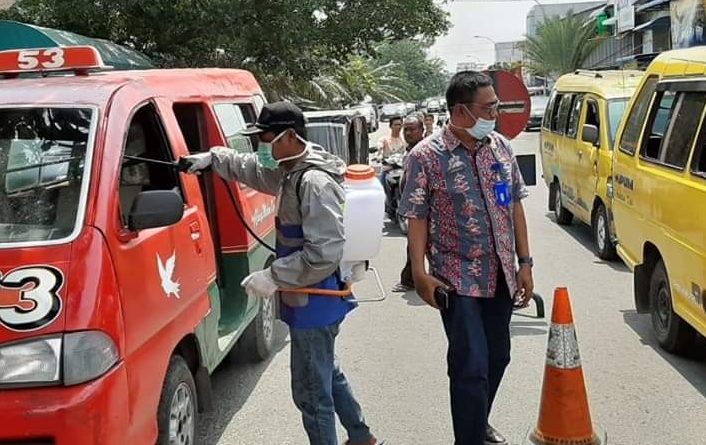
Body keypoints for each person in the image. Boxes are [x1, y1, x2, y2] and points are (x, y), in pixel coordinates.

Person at [179, 101, 382, 445]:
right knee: (326, 373)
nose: (260, 145)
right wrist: (214, 159)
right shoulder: (292, 171)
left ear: (288, 136)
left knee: (310, 392)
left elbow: (324, 253)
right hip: (308, 297)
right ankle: (361, 437)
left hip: (315, 299)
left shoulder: (314, 182)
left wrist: (273, 276)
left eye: (265, 137)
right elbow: (255, 171)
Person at [398, 71, 534, 445]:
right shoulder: (425, 156)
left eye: (496, 106)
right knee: (470, 364)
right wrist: (420, 273)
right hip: (456, 277)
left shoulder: (500, 147)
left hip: (501, 273)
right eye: (488, 108)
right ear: (461, 111)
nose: (495, 114)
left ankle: (477, 420)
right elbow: (416, 217)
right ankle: (469, 438)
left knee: (498, 357)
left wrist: (525, 263)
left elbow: (514, 206)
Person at [393, 114, 426, 293]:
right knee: (414, 245)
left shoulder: (425, 151)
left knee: (416, 245)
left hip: (423, 208)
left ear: (422, 130)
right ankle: (410, 279)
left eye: (413, 129)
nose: (408, 133)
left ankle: (410, 279)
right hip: (412, 207)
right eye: (406, 130)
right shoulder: (409, 150)